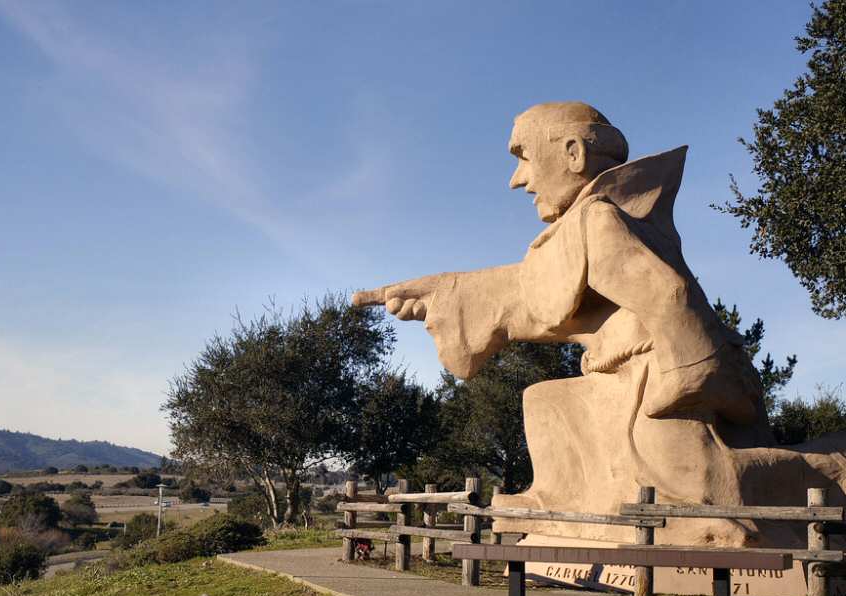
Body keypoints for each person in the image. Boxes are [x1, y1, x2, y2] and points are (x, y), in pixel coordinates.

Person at [354, 102, 835, 546]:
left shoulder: (600, 220)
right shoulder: (580, 229)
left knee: (700, 489)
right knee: (545, 398)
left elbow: (670, 294)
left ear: (573, 152)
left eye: (523, 156)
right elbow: (522, 296)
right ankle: (552, 501)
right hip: (622, 375)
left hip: (661, 379)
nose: (517, 180)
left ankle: (831, 469)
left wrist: (687, 379)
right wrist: (442, 294)